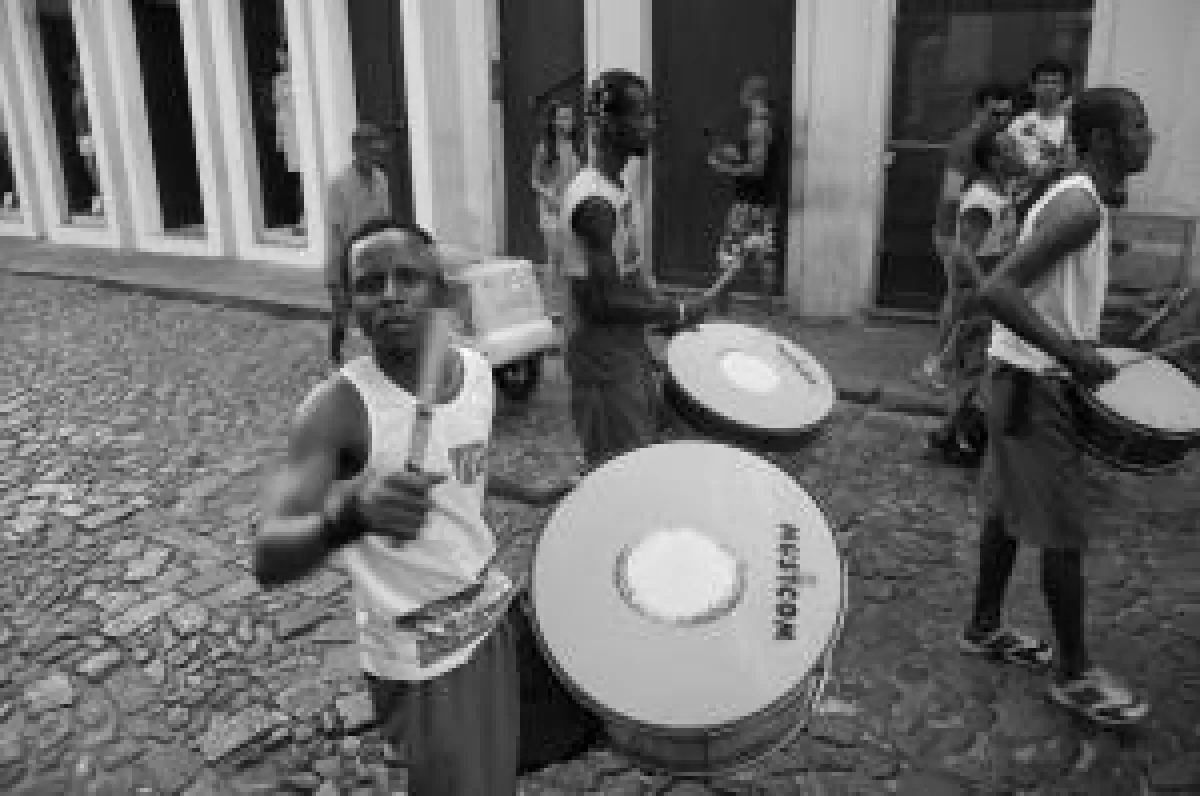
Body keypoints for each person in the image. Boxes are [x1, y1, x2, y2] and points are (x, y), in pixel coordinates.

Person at [254, 219, 601, 793]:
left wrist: (535, 493)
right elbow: (268, 558)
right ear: (350, 305)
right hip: (418, 659)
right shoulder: (336, 410)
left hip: (490, 619)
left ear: (440, 292)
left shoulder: (476, 374)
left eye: (408, 278)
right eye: (370, 284)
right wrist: (353, 516)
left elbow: (462, 468)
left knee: (499, 775)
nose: (390, 294)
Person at [960, 87, 1155, 726]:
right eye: (1138, 127)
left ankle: (984, 627)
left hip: (1015, 378)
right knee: (1063, 534)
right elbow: (998, 290)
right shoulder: (1080, 208)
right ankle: (1074, 675)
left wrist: (1088, 336)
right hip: (1033, 387)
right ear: (1101, 140)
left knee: (1003, 512)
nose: (1149, 139)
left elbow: (1045, 292)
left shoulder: (1082, 198)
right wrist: (1072, 354)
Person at [562, 69, 732, 471]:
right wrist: (676, 310)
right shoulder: (594, 203)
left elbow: (629, 276)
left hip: (627, 351)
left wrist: (663, 312)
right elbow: (601, 303)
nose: (651, 125)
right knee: (620, 475)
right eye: (641, 115)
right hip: (602, 362)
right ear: (609, 124)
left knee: (644, 458)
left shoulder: (616, 189)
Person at [927, 128, 1028, 467]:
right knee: (975, 371)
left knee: (981, 370)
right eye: (1012, 150)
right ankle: (957, 439)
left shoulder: (1001, 192)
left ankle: (951, 433)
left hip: (992, 292)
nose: (1020, 154)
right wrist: (986, 287)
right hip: (981, 298)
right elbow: (964, 251)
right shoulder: (983, 198)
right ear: (995, 161)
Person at [920, 83, 1016, 389]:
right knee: (960, 303)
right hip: (958, 233)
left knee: (968, 308)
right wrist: (954, 239)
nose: (1002, 120)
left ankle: (951, 366)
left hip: (977, 235)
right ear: (979, 110)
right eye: (995, 113)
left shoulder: (1000, 141)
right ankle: (936, 365)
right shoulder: (966, 143)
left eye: (1007, 114)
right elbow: (951, 193)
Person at [707, 75, 786, 314]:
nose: (740, 96)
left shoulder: (757, 125)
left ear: (751, 95)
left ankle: (721, 310)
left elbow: (757, 169)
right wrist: (726, 150)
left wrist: (723, 168)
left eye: (743, 92)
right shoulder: (769, 122)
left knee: (728, 255)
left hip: (747, 204)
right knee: (764, 257)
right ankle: (767, 310)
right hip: (766, 203)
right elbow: (754, 155)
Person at [325, 124, 392, 366]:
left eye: (378, 151)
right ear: (357, 149)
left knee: (376, 309)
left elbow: (385, 219)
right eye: (371, 150)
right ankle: (336, 353)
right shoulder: (338, 185)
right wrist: (341, 271)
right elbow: (337, 231)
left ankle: (380, 357)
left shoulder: (381, 179)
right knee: (342, 312)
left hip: (374, 257)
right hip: (344, 258)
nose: (376, 156)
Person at [531, 100, 585, 315]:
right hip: (551, 210)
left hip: (571, 208)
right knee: (554, 259)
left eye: (570, 117)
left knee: (571, 259)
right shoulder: (545, 148)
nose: (567, 121)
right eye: (562, 117)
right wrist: (549, 196)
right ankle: (551, 307)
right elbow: (534, 181)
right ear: (553, 121)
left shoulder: (576, 146)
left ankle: (569, 304)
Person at [1008, 59, 1075, 180]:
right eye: (1044, 82)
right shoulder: (1017, 124)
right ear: (1032, 87)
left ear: (1064, 88)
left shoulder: (1071, 126)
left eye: (1055, 82)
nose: (1050, 87)